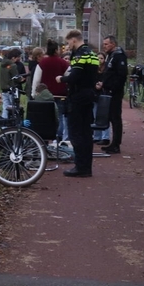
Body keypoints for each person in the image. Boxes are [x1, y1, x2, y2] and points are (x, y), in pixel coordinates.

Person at [55, 30, 100, 177]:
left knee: (76, 132)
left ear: (74, 40)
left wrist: (61, 78)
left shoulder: (80, 54)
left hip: (78, 97)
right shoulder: (92, 54)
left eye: (68, 42)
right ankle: (87, 167)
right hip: (89, 95)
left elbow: (75, 76)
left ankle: (80, 167)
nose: (68, 46)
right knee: (86, 133)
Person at [32, 39, 70, 144]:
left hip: (45, 96)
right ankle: (60, 138)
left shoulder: (42, 63)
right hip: (61, 95)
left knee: (46, 118)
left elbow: (36, 80)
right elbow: (69, 77)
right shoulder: (63, 63)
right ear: (57, 50)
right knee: (61, 117)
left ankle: (47, 139)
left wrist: (34, 94)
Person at [96, 35, 128, 154]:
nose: (104, 46)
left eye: (106, 44)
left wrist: (112, 88)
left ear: (113, 44)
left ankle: (116, 144)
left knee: (115, 118)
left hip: (114, 92)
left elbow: (121, 75)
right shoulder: (111, 55)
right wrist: (103, 83)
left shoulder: (119, 56)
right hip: (108, 90)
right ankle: (113, 143)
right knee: (111, 117)